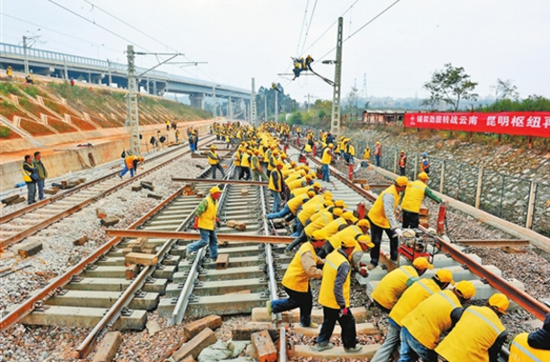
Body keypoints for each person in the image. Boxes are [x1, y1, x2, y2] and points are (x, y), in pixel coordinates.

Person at [370, 269, 455, 362]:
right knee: (406, 350)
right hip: (405, 322)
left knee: (390, 343)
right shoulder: (436, 293)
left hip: (395, 314)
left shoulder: (422, 281)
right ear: (445, 284)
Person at [398, 280, 477, 362]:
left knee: (406, 358)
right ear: (468, 300)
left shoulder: (442, 293)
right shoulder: (455, 309)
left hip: (407, 326)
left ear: (454, 289)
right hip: (421, 338)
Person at [267, 230, 325, 328]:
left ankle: (306, 322)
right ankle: (273, 305)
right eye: (324, 241)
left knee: (307, 301)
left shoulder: (308, 246)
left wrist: (325, 262)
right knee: (297, 302)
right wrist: (325, 273)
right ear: (318, 241)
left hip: (300, 281)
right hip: (295, 282)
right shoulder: (307, 252)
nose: (325, 243)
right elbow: (311, 271)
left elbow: (315, 259)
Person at [315, 237, 362, 353]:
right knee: (348, 322)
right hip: (336, 301)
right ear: (350, 248)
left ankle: (322, 342)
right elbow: (338, 286)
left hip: (326, 297)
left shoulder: (333, 255)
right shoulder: (343, 264)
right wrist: (342, 305)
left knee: (329, 321)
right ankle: (350, 346)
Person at [436, 293, 509, 362]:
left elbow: (455, 314)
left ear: (487, 303)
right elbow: (493, 355)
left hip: (446, 352)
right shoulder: (500, 331)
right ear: (502, 314)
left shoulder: (471, 309)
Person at [367, 176, 409, 270]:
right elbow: (388, 212)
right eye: (405, 187)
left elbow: (391, 207)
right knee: (376, 241)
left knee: (394, 238)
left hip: (385, 220)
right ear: (401, 186)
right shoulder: (389, 194)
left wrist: (396, 209)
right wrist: (395, 227)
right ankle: (374, 261)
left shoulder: (397, 192)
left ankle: (393, 259)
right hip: (377, 219)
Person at [188, 186, 223, 262]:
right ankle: (190, 248)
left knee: (213, 240)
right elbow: (198, 213)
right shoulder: (206, 201)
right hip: (204, 224)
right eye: (218, 194)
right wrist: (196, 223)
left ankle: (214, 256)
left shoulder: (215, 201)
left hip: (210, 224)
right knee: (205, 241)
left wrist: (217, 219)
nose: (219, 195)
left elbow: (212, 212)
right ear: (213, 194)